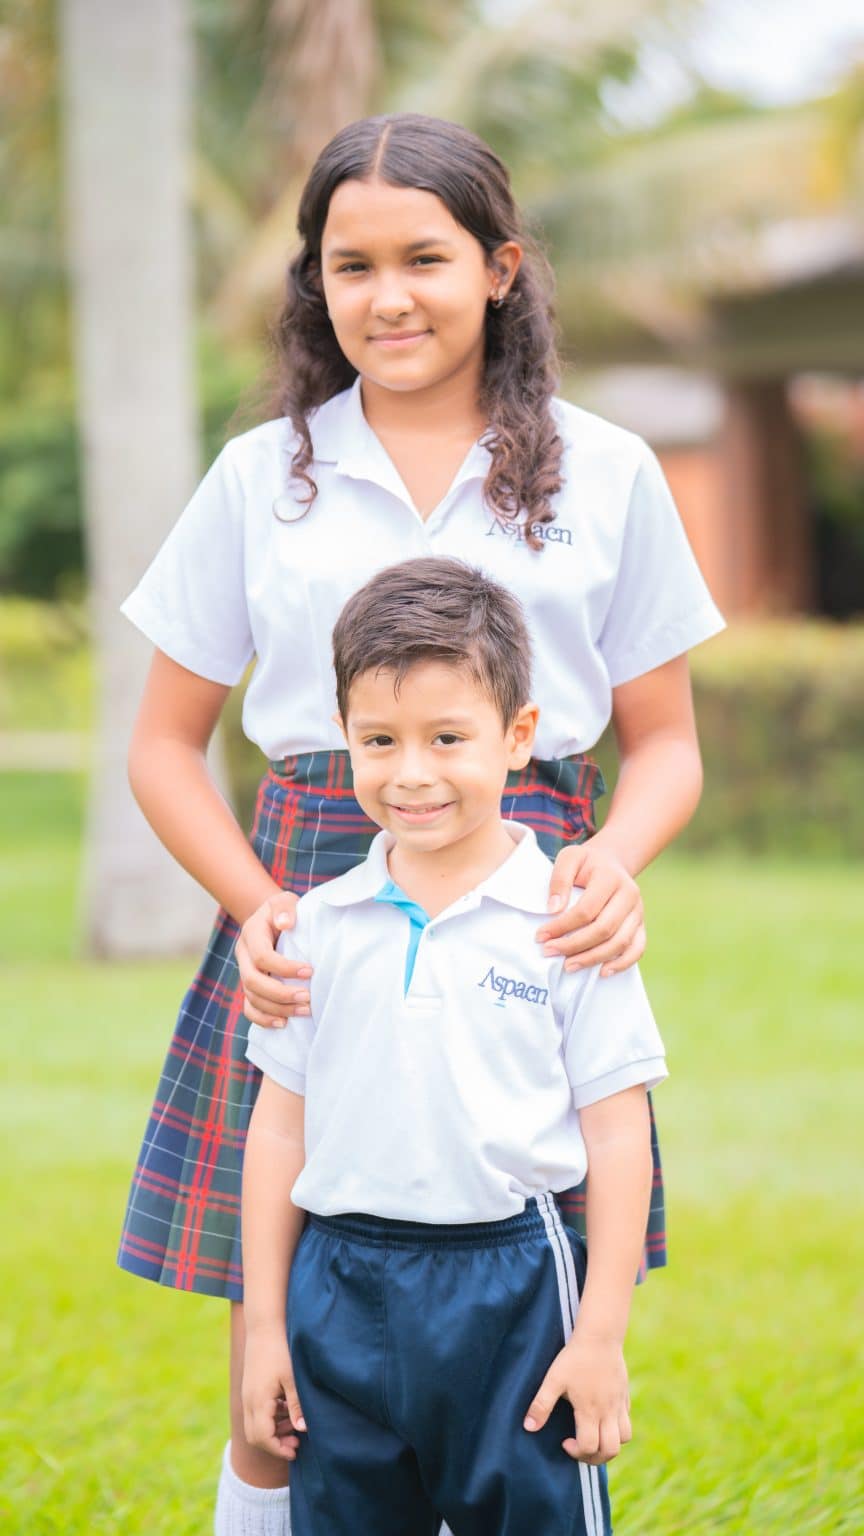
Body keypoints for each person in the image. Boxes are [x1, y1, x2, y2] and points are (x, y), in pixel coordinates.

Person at [117, 113, 723, 1536]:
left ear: (501, 268)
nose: (387, 297)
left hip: (532, 893)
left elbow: (668, 745)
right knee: (287, 1379)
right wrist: (257, 905)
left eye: (425, 259)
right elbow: (161, 745)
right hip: (309, 898)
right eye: (352, 266)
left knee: (515, 1346)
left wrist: (609, 866)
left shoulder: (608, 471)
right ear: (316, 283)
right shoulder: (261, 476)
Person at [241, 556, 668, 1536]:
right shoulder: (315, 927)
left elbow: (618, 1138)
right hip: (337, 1285)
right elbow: (277, 1133)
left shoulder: (570, 924)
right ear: (343, 734)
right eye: (379, 740)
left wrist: (599, 1336)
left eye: (447, 737)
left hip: (511, 1291)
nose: (412, 773)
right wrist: (266, 1326)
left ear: (517, 737)